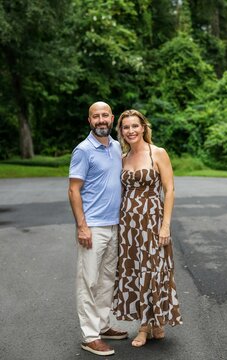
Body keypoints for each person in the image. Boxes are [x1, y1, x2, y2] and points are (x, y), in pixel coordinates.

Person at [112, 109, 182, 347]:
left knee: (154, 270)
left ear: (143, 127)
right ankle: (146, 324)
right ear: (121, 131)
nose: (130, 131)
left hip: (152, 221)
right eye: (125, 127)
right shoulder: (122, 158)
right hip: (128, 225)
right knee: (135, 273)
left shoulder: (158, 153)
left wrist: (165, 226)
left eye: (134, 126)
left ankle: (151, 323)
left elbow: (169, 190)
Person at [68, 101, 128, 356]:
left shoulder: (116, 147)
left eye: (105, 115)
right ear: (89, 121)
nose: (101, 120)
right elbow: (73, 189)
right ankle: (90, 336)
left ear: (112, 118)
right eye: (96, 116)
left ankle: (103, 326)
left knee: (106, 281)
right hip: (92, 227)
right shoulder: (83, 150)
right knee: (89, 282)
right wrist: (82, 226)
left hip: (114, 225)